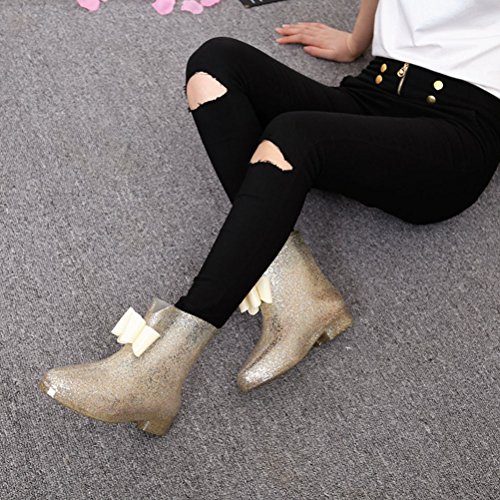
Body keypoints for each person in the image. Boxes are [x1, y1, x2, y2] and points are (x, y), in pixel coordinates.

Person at [38, 0, 500, 436]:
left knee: (294, 136)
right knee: (214, 63)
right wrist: (356, 42)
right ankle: (298, 293)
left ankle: (161, 364)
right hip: (374, 90)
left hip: (458, 131)